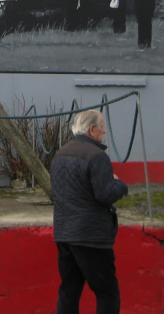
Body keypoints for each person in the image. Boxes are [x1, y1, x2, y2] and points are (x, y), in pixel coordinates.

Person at [50, 109, 128, 314]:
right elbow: (104, 194)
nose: (103, 135)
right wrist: (119, 185)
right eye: (102, 131)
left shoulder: (60, 154)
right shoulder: (97, 156)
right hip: (91, 237)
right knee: (107, 293)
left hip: (64, 234)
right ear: (92, 130)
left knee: (69, 291)